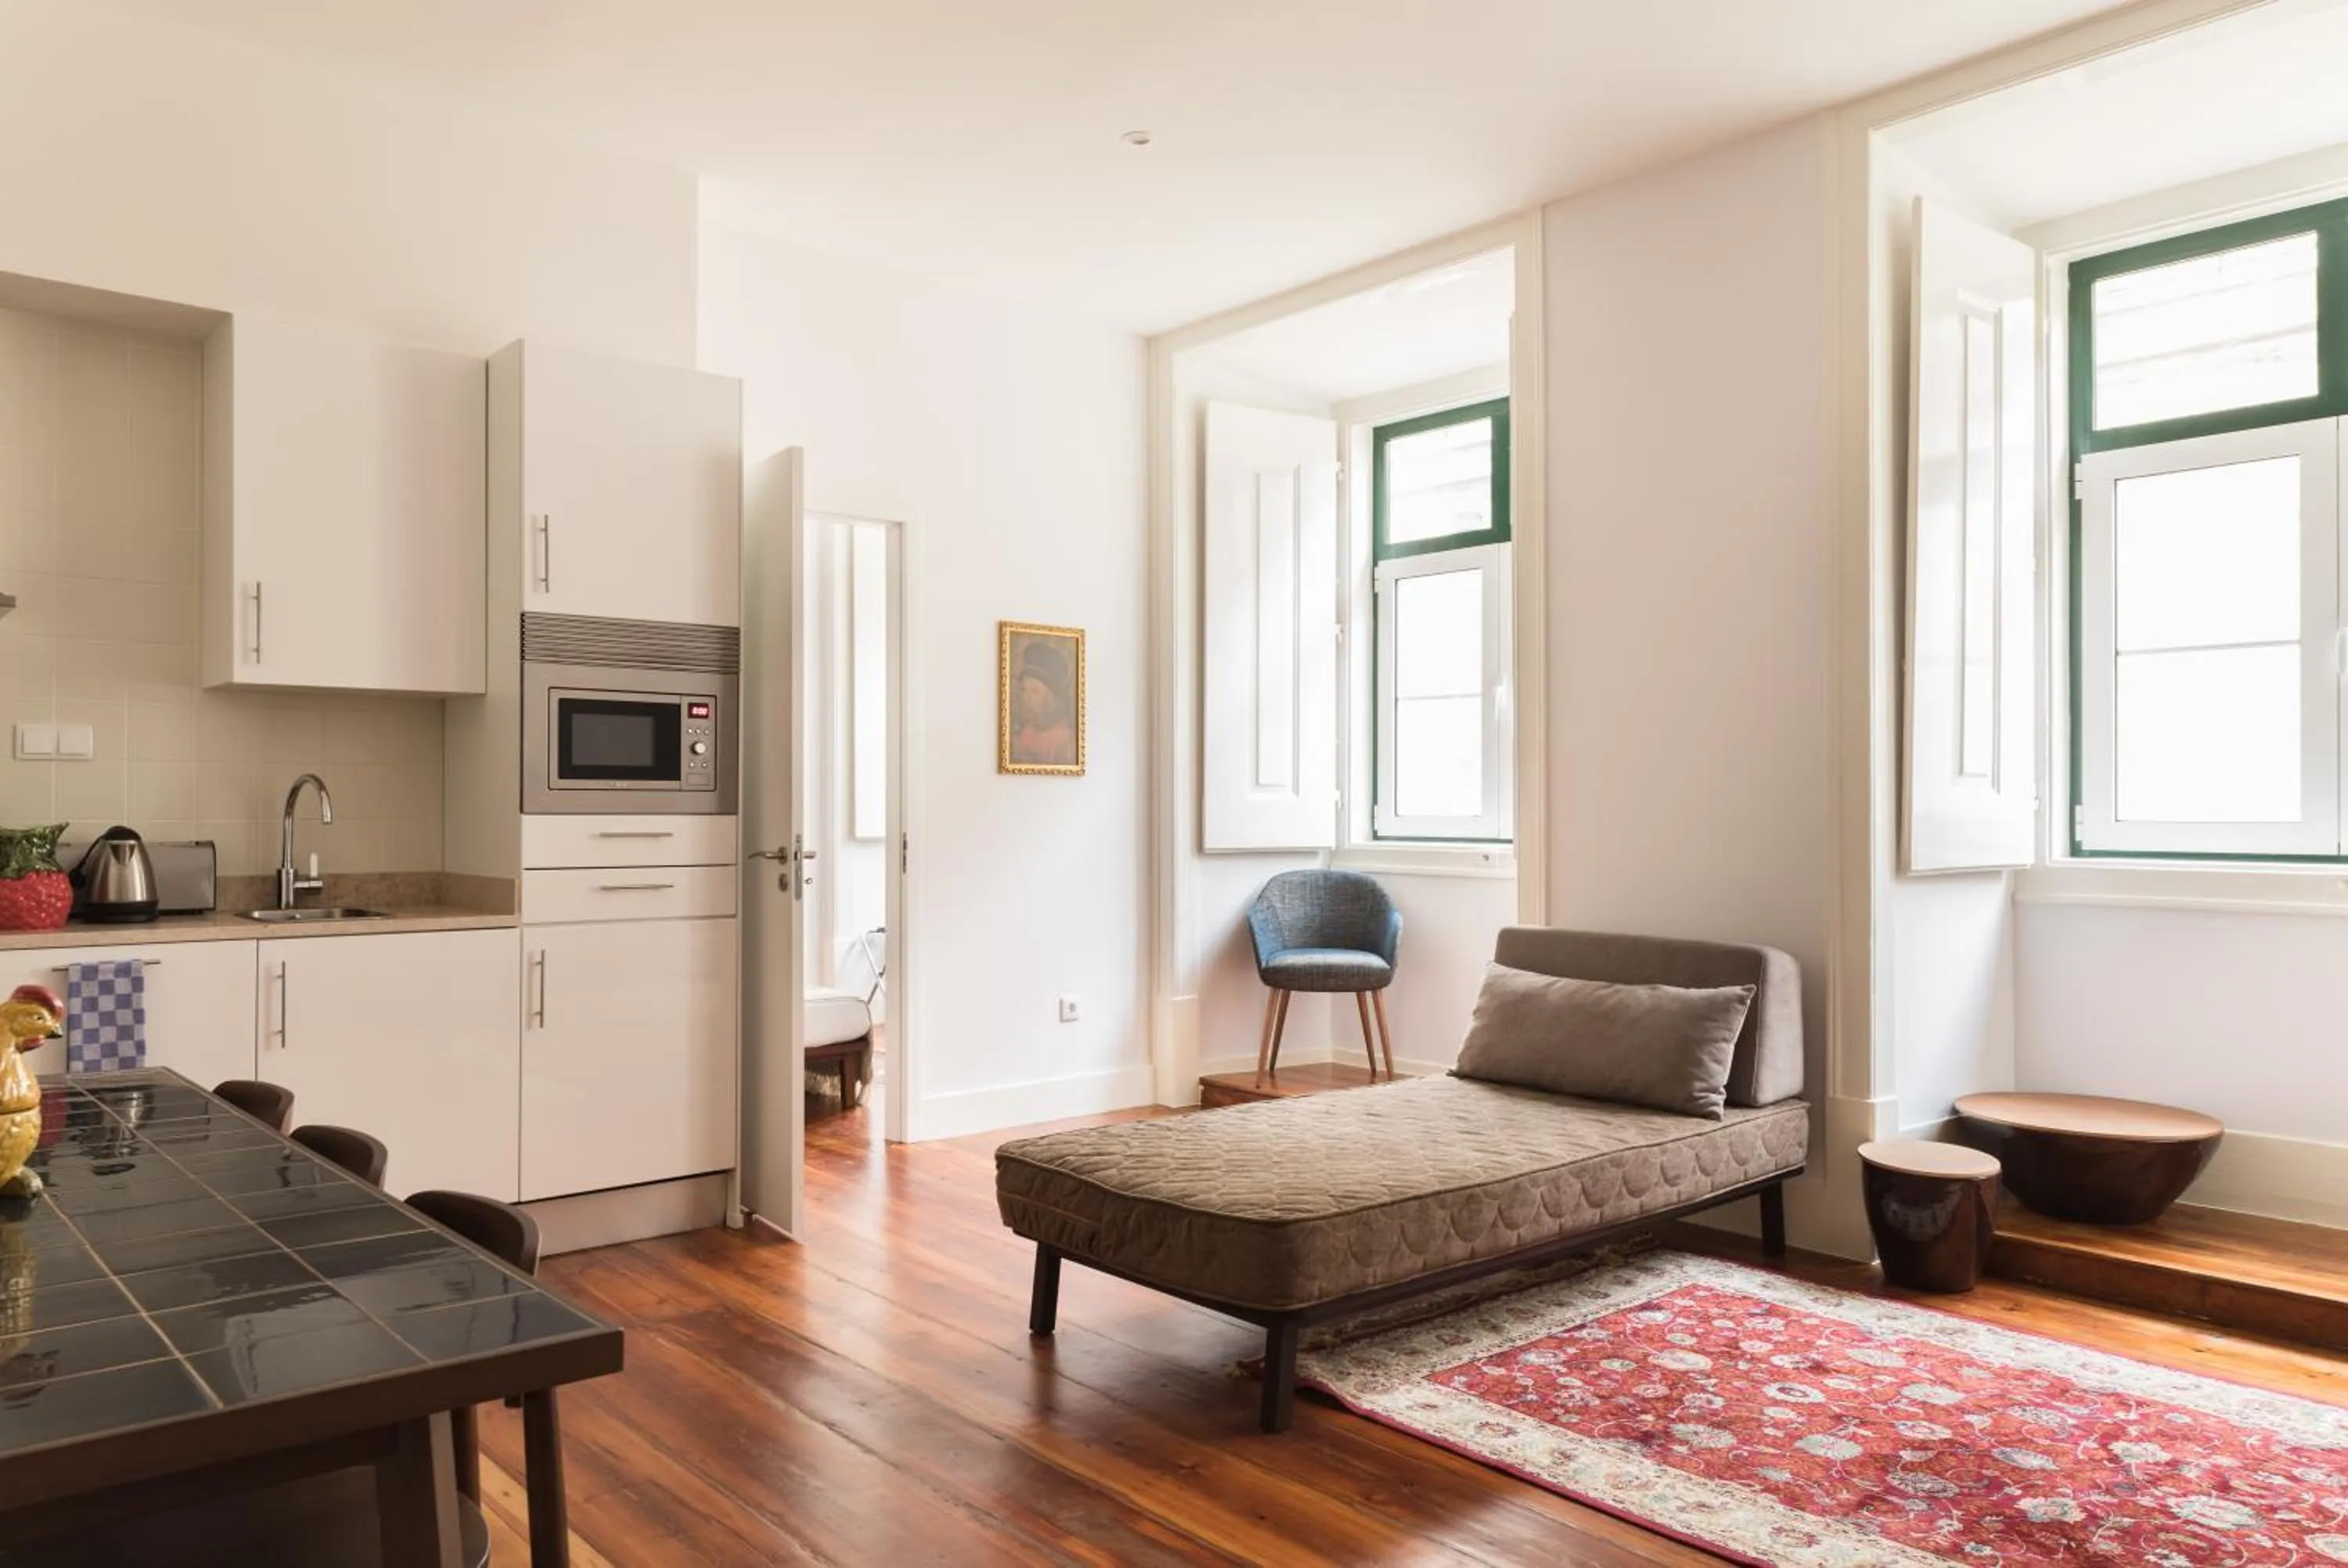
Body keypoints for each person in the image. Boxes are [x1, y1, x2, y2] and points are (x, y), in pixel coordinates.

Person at [1011, 640, 1077, 766]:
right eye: (1024, 690)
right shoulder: (1026, 733)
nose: (1026, 698)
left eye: (1035, 692)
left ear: (1052, 700)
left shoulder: (1067, 741)